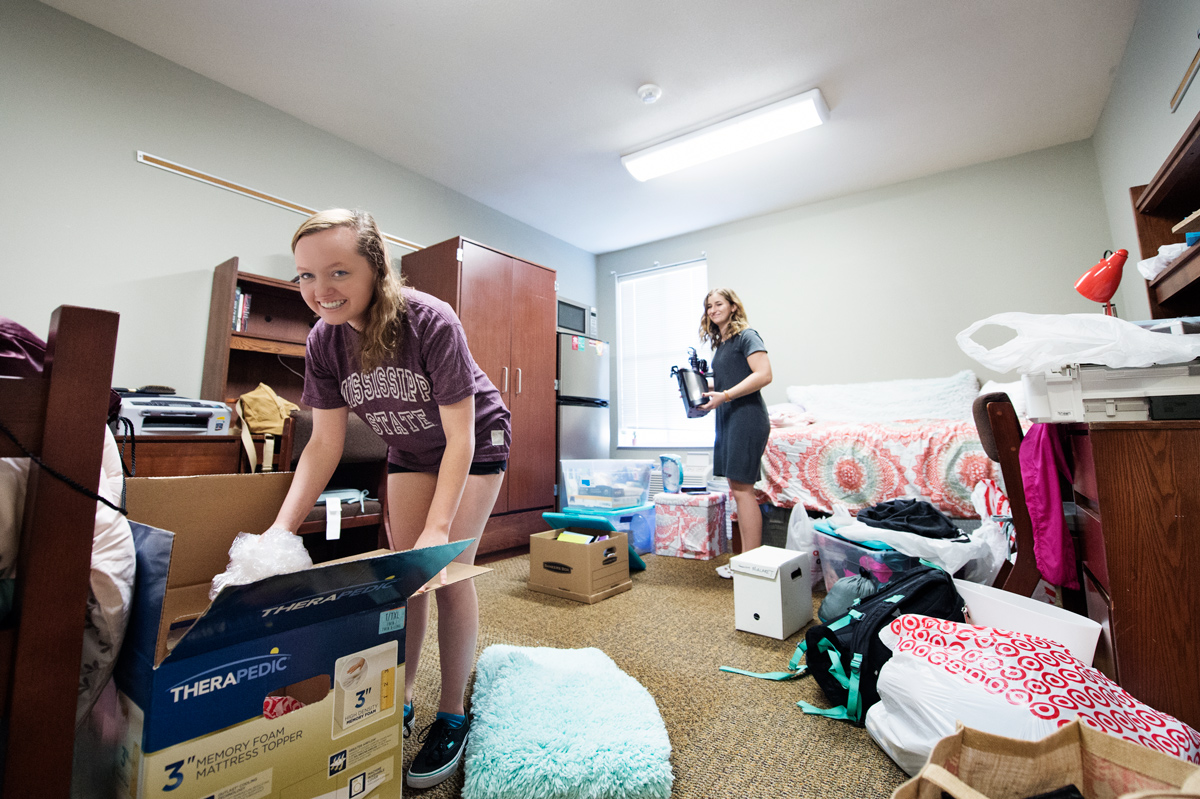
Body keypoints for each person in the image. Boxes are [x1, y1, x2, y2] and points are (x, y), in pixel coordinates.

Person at [268, 209, 510, 789]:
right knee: (406, 578)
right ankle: (398, 697)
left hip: (472, 440)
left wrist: (438, 528)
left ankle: (452, 712)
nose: (320, 291)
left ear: (375, 269)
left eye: (337, 273)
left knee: (447, 569)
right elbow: (323, 445)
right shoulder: (324, 343)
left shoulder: (428, 319)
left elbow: (461, 436)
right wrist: (280, 530)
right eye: (305, 276)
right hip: (408, 448)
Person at [696, 288, 772, 574]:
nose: (713, 309)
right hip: (729, 416)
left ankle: (750, 564)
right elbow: (728, 382)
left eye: (718, 304)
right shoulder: (723, 342)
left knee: (743, 490)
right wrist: (701, 391)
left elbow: (764, 374)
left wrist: (724, 396)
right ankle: (747, 560)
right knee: (736, 488)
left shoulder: (747, 336)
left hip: (747, 416)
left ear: (732, 306)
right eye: (708, 306)